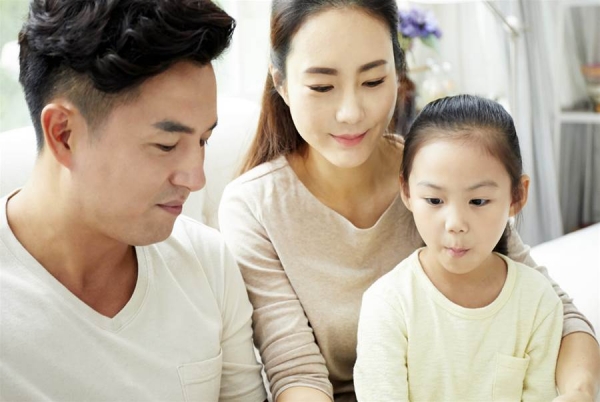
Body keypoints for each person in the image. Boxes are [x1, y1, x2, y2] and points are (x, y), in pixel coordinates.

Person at [217, 0, 600, 401]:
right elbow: (296, 373)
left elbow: (560, 315)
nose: (350, 112)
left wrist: (578, 391)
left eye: (372, 81)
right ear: (280, 82)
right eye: (322, 87)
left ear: (398, 74)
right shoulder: (254, 206)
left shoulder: (440, 180)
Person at [0, 1, 267, 401]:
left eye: (203, 140)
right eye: (166, 145)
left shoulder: (208, 264)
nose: (196, 179)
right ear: (64, 134)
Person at [354, 94, 563, 401]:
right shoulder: (388, 304)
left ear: (517, 196)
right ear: (407, 192)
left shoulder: (538, 302)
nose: (455, 223)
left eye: (478, 201)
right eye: (434, 200)